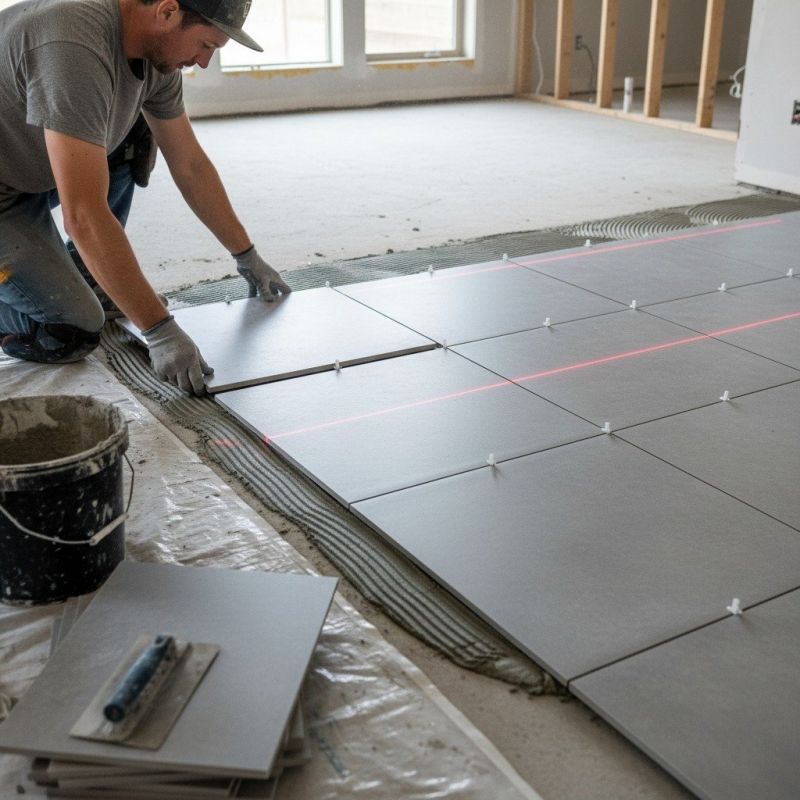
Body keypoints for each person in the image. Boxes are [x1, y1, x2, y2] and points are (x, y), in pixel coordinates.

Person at [0, 0, 291, 395]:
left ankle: (90, 272)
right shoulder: (73, 46)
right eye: (207, 45)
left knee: (134, 136)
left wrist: (246, 254)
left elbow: (189, 163)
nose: (203, 62)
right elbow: (83, 214)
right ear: (168, 12)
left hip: (25, 163)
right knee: (73, 329)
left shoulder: (156, 58)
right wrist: (159, 329)